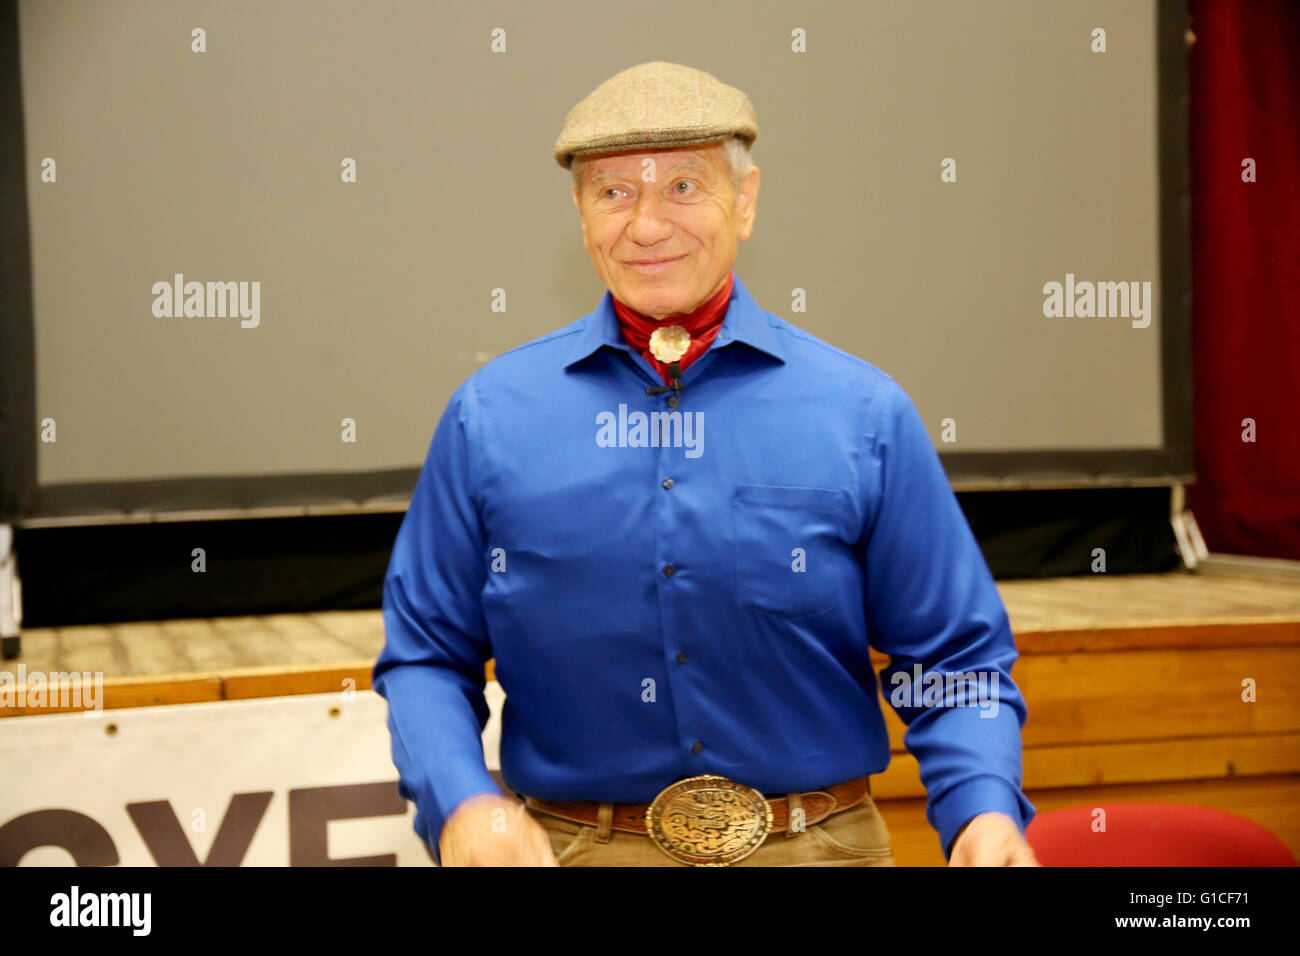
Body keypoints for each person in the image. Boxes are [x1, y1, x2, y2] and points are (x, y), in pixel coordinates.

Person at [374, 61, 1038, 867]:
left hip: (817, 850)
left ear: (747, 201)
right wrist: (462, 803)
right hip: (573, 853)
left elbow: (953, 658)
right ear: (579, 214)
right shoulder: (489, 416)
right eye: (614, 193)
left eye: (684, 186)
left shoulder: (863, 412)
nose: (646, 224)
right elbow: (426, 656)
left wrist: (981, 813)